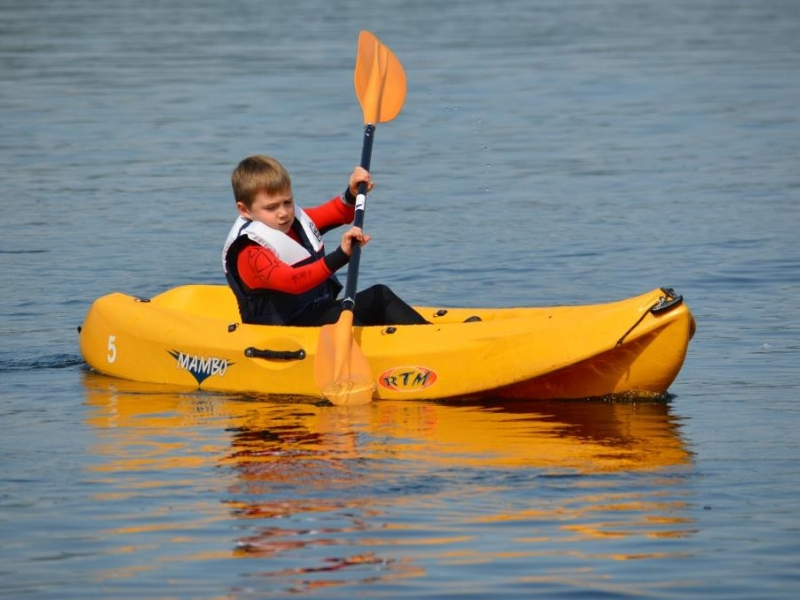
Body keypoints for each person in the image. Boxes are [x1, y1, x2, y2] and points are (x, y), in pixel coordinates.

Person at [222, 155, 429, 327]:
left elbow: (338, 212)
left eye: (288, 201)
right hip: (283, 333)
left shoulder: (294, 223)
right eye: (271, 207)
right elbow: (292, 282)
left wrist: (352, 193)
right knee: (344, 321)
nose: (283, 213)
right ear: (244, 210)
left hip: (315, 314)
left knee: (379, 295)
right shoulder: (249, 251)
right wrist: (341, 255)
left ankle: (431, 338)